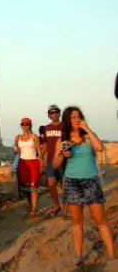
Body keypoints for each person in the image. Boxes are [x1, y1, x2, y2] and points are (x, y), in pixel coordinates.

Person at [53, 106, 115, 267]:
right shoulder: (63, 141)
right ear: (67, 120)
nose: (76, 120)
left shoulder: (87, 137)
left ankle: (111, 256)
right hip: (72, 183)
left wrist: (87, 129)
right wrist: (62, 154)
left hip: (90, 181)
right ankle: (79, 256)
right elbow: (55, 164)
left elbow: (100, 148)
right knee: (76, 221)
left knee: (100, 219)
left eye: (78, 117)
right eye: (73, 117)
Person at [14, 117, 42, 218]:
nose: (24, 126)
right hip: (23, 163)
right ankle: (31, 205)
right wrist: (16, 151)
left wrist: (41, 163)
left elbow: (39, 150)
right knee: (25, 188)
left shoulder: (35, 137)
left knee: (33, 187)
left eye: (27, 124)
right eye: (23, 124)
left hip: (33, 162)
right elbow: (17, 149)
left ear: (30, 125)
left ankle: (34, 209)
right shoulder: (17, 138)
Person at [40, 105, 64, 217]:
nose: (54, 114)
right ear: (49, 115)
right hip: (50, 160)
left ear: (59, 113)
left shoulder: (64, 126)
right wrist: (40, 157)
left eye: (56, 112)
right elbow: (45, 143)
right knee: (50, 184)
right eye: (52, 112)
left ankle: (67, 209)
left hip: (63, 159)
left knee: (64, 185)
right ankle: (56, 205)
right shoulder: (46, 128)